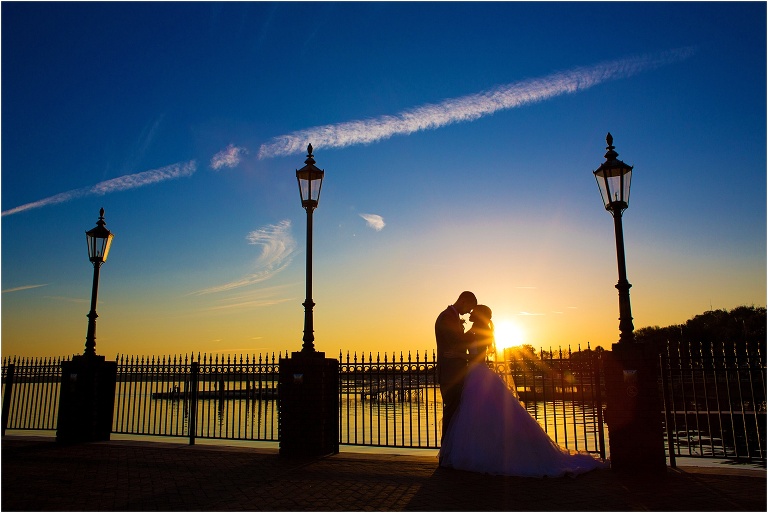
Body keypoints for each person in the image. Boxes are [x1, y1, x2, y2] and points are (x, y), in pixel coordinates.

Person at [439, 305, 608, 477]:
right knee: (479, 416)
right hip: (475, 374)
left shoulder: (479, 331)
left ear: (480, 315)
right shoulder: (475, 329)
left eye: (474, 311)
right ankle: (486, 451)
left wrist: (459, 356)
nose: (471, 312)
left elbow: (478, 357)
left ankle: (486, 454)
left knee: (481, 415)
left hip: (478, 374)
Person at [434, 291, 477, 450]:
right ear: (464, 301)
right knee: (451, 413)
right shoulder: (446, 317)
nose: (469, 312)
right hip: (451, 373)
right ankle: (446, 452)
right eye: (470, 308)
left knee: (456, 412)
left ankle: (453, 451)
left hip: (455, 372)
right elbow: (456, 342)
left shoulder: (451, 317)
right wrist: (474, 333)